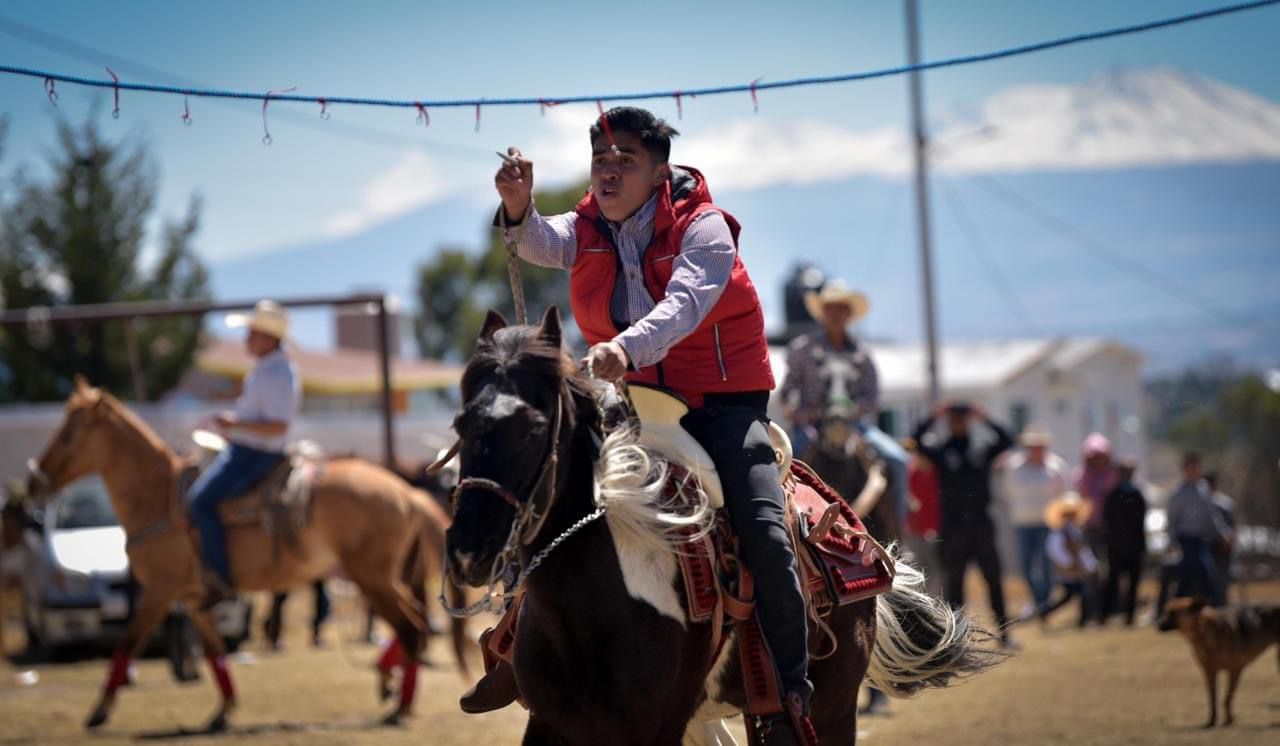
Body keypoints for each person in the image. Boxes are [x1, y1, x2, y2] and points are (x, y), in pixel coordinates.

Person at [478, 107, 813, 740]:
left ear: (660, 171)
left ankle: (787, 693)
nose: (608, 171)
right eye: (600, 160)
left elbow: (687, 301)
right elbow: (542, 243)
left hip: (722, 408)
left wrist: (626, 349)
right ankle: (518, 651)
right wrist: (519, 207)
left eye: (625, 160)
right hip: (630, 403)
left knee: (766, 531)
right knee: (552, 498)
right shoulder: (588, 222)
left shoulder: (705, 228)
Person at [188, 300, 300, 609]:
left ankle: (221, 578)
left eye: (252, 332)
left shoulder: (274, 374)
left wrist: (234, 423)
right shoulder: (271, 370)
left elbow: (278, 426)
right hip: (248, 450)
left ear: (268, 337)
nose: (247, 339)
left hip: (253, 456)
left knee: (200, 502)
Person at [779, 281, 909, 527]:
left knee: (898, 460)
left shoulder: (862, 353)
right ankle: (784, 527)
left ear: (849, 314)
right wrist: (802, 411)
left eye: (841, 309)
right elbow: (788, 391)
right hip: (812, 426)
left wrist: (854, 410)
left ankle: (899, 531)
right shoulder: (802, 350)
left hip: (856, 427)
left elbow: (872, 397)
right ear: (822, 312)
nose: (835, 314)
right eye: (830, 308)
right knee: (785, 466)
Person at [912, 401, 1016, 647]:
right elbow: (915, 440)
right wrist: (935, 414)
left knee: (993, 578)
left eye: (962, 419)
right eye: (954, 420)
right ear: (948, 423)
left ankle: (1004, 634)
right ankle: (956, 637)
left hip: (981, 522)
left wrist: (983, 417)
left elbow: (1007, 440)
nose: (958, 424)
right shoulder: (941, 451)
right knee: (954, 582)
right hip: (953, 525)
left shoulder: (981, 449)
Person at [1001, 426, 1067, 619]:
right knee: (1025, 565)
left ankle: (1044, 603)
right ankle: (1039, 601)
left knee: (1046, 566)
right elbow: (1008, 491)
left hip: (1049, 524)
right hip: (1023, 522)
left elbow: (1063, 494)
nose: (1037, 449)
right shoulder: (1014, 466)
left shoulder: (1056, 466)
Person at [1166, 452, 1229, 607]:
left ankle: (1184, 609)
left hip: (1201, 540)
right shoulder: (1178, 493)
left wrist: (1223, 534)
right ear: (1185, 469)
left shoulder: (1204, 488)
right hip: (1185, 540)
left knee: (1188, 578)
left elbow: (1212, 515)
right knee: (1203, 576)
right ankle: (1213, 605)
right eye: (1191, 467)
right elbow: (1172, 520)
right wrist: (1171, 541)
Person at [1041, 492, 1099, 628]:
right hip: (1067, 572)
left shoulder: (1076, 532)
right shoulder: (1057, 533)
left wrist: (1090, 565)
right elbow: (1055, 551)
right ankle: (1046, 612)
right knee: (1072, 595)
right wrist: (1068, 564)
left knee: (1079, 594)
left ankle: (1083, 620)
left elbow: (1083, 550)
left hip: (1078, 570)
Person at [1100, 458, 1147, 625]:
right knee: (1112, 582)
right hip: (1116, 547)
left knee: (1133, 584)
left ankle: (1130, 617)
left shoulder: (1137, 495)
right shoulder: (1112, 495)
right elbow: (1107, 521)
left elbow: (1141, 522)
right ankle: (1104, 615)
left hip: (1135, 547)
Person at [1073, 433, 1117, 550]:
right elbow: (1082, 495)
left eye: (1101, 455)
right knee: (1091, 556)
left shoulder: (1112, 472)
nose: (1098, 459)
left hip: (1110, 522)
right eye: (1095, 456)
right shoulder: (1083, 474)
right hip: (1090, 523)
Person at [1204, 471, 1237, 603]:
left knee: (1221, 585)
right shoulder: (1201, 503)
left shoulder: (1224, 504)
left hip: (1221, 552)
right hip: (1205, 549)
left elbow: (1231, 532)